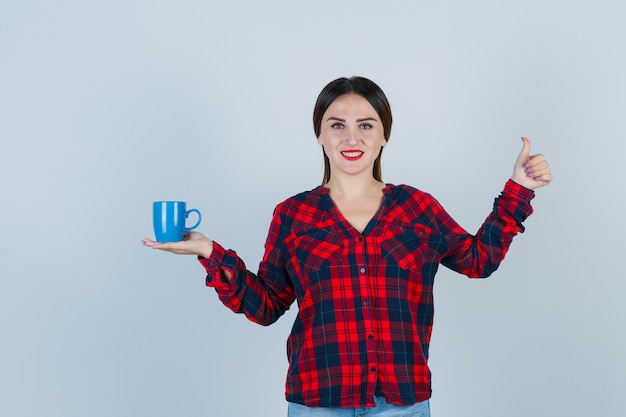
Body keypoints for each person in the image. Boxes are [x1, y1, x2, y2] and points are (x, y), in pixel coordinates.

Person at [142, 76, 552, 416]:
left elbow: (479, 261)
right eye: (337, 124)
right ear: (320, 134)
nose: (351, 137)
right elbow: (267, 306)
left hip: (402, 405)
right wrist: (210, 253)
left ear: (384, 135)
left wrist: (519, 189)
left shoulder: (417, 208)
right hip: (317, 403)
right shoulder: (293, 215)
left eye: (366, 125)